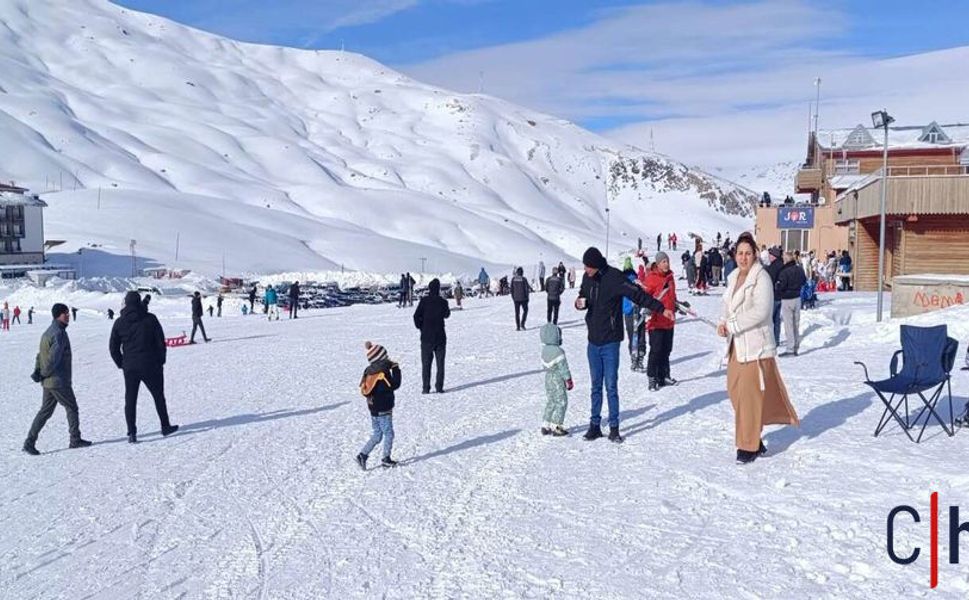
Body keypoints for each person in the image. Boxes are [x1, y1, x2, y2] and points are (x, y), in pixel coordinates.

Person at [575, 247, 672, 443]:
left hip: (610, 341)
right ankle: (594, 426)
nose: (586, 271)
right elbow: (581, 295)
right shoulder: (587, 278)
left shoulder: (614, 277)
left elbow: (638, 295)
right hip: (593, 341)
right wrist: (578, 303)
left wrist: (661, 309)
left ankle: (614, 427)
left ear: (596, 265)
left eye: (588, 267)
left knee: (611, 385)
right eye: (585, 267)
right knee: (595, 385)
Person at [717, 232, 799, 464]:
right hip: (736, 346)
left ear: (755, 255)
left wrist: (733, 324)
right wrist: (723, 322)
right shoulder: (733, 277)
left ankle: (747, 446)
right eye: (740, 253)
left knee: (749, 397)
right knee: (734, 393)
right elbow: (726, 305)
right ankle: (753, 436)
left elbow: (761, 311)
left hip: (755, 346)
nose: (743, 257)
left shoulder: (761, 277)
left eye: (748, 253)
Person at [110, 291, 179, 444]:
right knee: (158, 396)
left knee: (130, 399)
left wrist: (121, 363)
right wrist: (161, 360)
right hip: (150, 365)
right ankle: (165, 426)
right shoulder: (150, 319)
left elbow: (113, 347)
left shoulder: (120, 322)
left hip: (130, 367)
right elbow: (160, 342)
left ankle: (132, 433)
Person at [23, 304, 91, 455]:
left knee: (45, 412)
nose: (68, 316)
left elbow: (40, 355)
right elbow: (53, 359)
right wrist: (42, 373)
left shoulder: (48, 332)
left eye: (68, 313)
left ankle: (29, 442)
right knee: (72, 407)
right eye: (65, 314)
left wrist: (38, 370)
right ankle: (75, 439)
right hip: (58, 380)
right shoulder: (59, 333)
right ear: (57, 316)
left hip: (49, 381)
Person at [355, 341, 402, 469]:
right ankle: (386, 458)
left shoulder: (369, 372)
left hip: (373, 409)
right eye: (385, 356)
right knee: (389, 433)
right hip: (384, 409)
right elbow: (395, 385)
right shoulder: (382, 374)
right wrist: (396, 369)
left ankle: (362, 455)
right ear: (381, 358)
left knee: (377, 434)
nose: (388, 358)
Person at [643, 252, 678, 391]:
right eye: (663, 261)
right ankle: (652, 378)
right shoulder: (651, 279)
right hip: (656, 322)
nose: (666, 264)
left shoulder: (670, 278)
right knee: (656, 350)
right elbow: (644, 298)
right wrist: (648, 309)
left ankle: (664, 375)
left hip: (669, 320)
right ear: (657, 264)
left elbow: (672, 296)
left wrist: (678, 304)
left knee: (666, 350)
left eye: (667, 261)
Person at [413, 278, 450, 394]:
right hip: (440, 337)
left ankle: (426, 388)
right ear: (438, 289)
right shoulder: (443, 302)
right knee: (440, 364)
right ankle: (439, 387)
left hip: (426, 338)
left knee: (426, 364)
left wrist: (421, 327)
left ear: (429, 289)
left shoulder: (424, 301)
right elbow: (447, 315)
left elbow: (415, 316)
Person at [540, 322, 573, 436]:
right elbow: (564, 368)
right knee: (561, 402)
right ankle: (557, 425)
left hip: (548, 378)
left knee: (551, 401)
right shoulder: (558, 352)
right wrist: (568, 380)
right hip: (558, 379)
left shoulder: (544, 350)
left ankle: (545, 424)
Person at [776, 251, 807, 356]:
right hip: (797, 298)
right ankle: (795, 347)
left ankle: (790, 348)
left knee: (788, 325)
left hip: (787, 299)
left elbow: (781, 286)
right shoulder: (799, 269)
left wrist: (778, 289)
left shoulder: (784, 271)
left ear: (786, 259)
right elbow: (804, 281)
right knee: (796, 324)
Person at [621, 264, 646, 372]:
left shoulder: (622, 282)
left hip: (628, 313)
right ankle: (640, 358)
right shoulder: (637, 281)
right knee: (641, 335)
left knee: (632, 336)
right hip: (639, 311)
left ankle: (634, 359)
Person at [765, 246, 784, 346]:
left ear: (774, 256)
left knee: (769, 320)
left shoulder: (773, 267)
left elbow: (769, 281)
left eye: (770, 255)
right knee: (777, 320)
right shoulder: (783, 265)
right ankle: (776, 340)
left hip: (773, 296)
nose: (769, 256)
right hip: (781, 296)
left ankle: (770, 340)